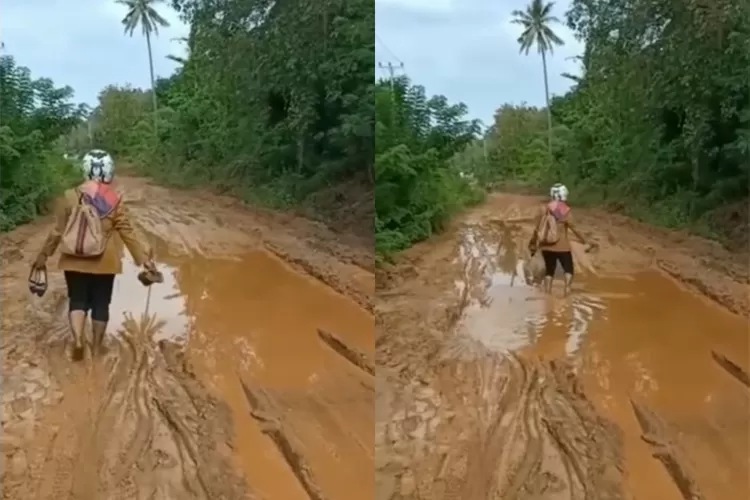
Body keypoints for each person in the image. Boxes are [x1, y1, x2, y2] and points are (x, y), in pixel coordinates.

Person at [31, 149, 156, 361]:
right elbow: (128, 232)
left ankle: (78, 341)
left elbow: (57, 231)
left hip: (73, 259)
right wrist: (144, 260)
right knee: (101, 302)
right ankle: (97, 347)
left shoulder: (70, 196)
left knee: (77, 299)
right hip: (104, 261)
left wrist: (43, 255)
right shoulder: (114, 200)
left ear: (85, 169)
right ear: (109, 171)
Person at [528, 183, 593, 296]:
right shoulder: (564, 210)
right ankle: (567, 290)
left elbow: (537, 229)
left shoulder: (543, 209)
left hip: (546, 246)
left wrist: (533, 244)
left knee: (549, 271)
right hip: (562, 246)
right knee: (568, 269)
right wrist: (585, 241)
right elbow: (575, 228)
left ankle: (547, 294)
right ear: (563, 194)